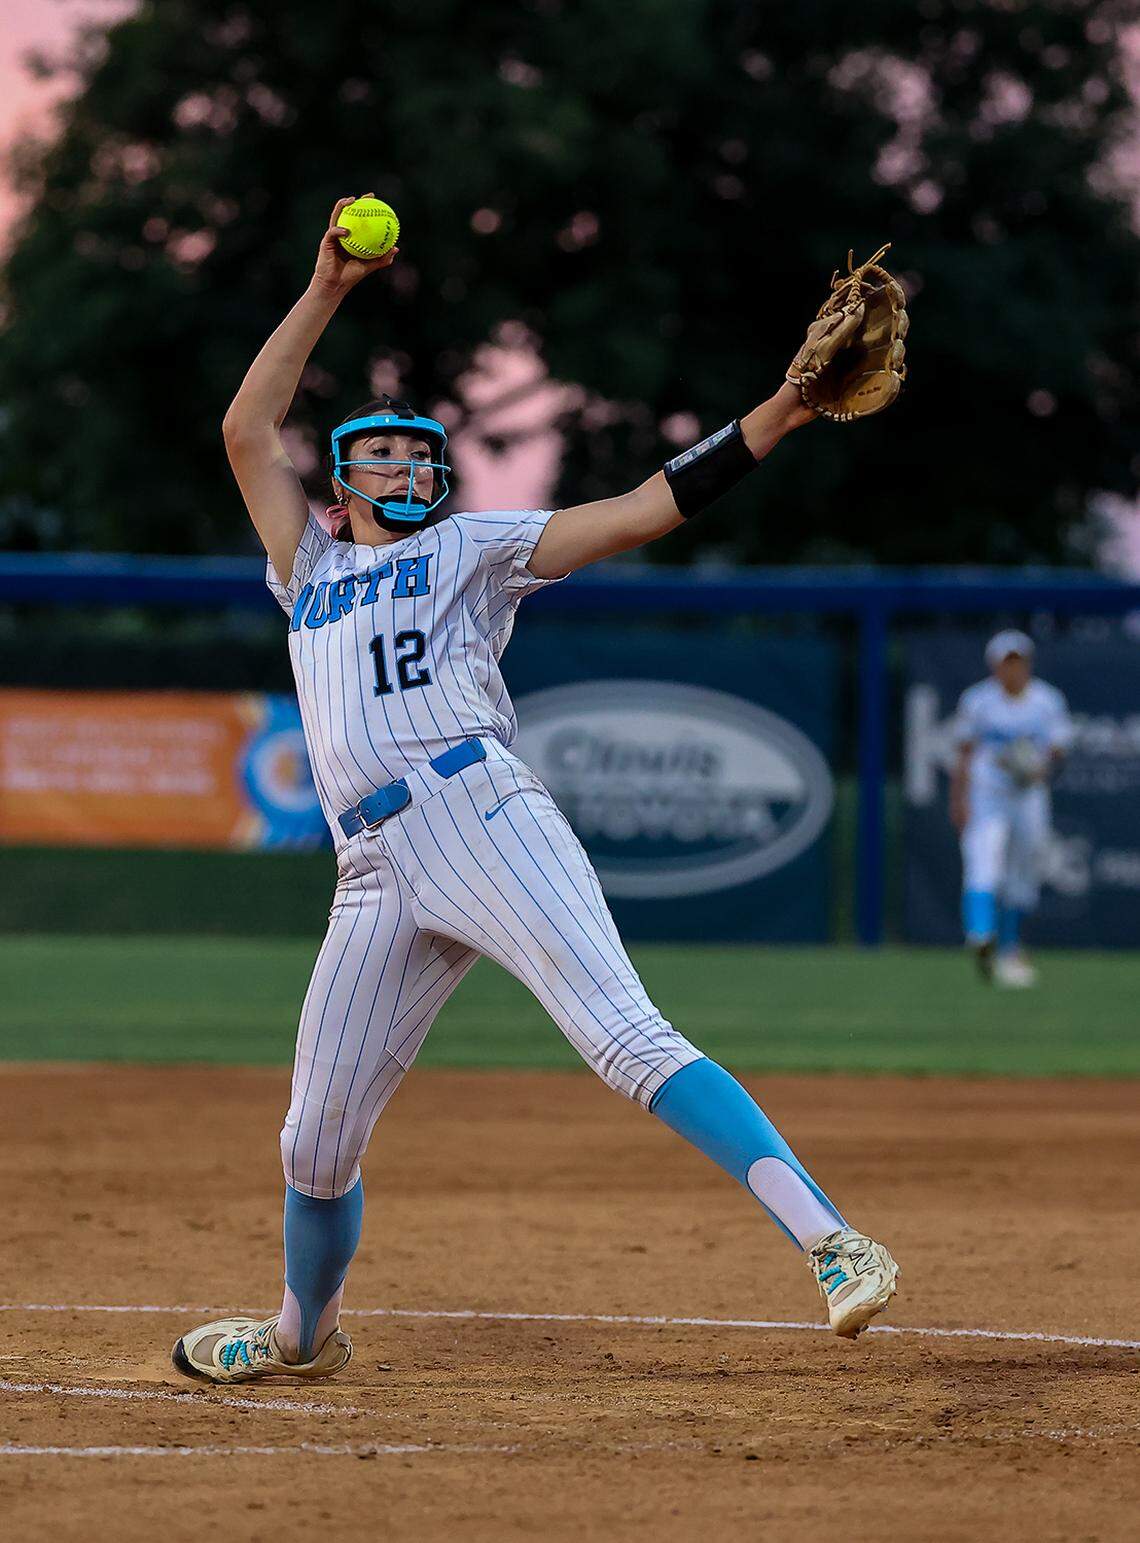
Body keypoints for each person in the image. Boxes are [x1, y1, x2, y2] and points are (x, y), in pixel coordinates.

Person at [172, 196, 898, 1385]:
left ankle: (833, 1242)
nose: (405, 464)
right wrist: (327, 290)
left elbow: (643, 509)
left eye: (420, 452)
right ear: (345, 479)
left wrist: (784, 411)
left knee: (620, 1034)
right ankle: (303, 1337)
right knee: (314, 1140)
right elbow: (248, 427)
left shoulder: (470, 550)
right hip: (370, 867)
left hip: (478, 811)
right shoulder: (309, 569)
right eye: (382, 452)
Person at [950, 631, 1073, 987]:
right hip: (987, 793)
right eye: (1006, 662)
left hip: (1028, 794)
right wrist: (958, 800)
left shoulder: (1047, 701)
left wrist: (1038, 767)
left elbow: (1058, 748)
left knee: (1024, 868)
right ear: (994, 666)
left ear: (1028, 663)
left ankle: (1009, 948)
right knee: (982, 861)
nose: (1012, 669)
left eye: (1018, 662)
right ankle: (980, 935)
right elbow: (964, 753)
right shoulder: (978, 701)